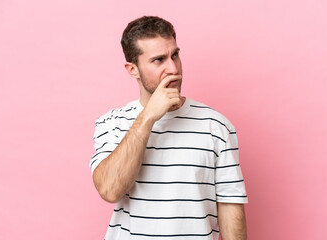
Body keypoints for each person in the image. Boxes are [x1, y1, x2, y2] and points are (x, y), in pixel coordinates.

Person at [90, 16, 248, 240]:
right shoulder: (111, 123)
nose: (173, 68)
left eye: (175, 55)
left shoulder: (217, 126)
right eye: (158, 60)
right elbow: (109, 189)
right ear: (133, 69)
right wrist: (148, 118)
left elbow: (231, 209)